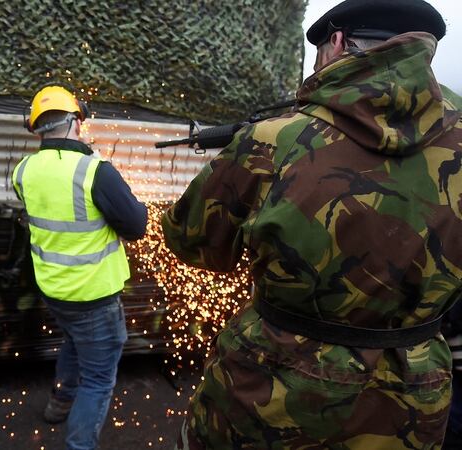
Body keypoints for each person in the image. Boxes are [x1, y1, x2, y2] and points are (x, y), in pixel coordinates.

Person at [161, 0, 462, 448]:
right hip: (411, 408)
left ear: (336, 42)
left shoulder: (272, 140)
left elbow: (191, 243)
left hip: (269, 399)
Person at [11, 85, 147, 450]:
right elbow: (136, 226)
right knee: (99, 380)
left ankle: (59, 403)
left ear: (37, 127)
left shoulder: (23, 171)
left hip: (53, 289)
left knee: (73, 340)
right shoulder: (95, 171)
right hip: (94, 296)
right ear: (75, 121)